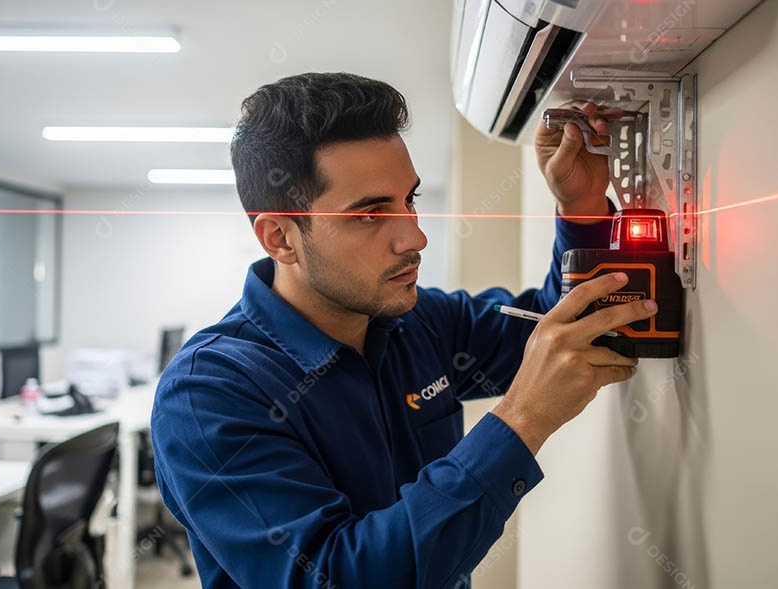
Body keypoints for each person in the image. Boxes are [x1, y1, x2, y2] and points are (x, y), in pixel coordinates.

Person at [151, 72, 658, 588]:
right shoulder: (208, 394)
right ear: (280, 237)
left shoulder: (418, 323)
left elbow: (560, 328)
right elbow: (335, 577)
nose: (415, 236)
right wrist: (522, 419)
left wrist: (582, 207)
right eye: (370, 214)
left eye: (409, 200)